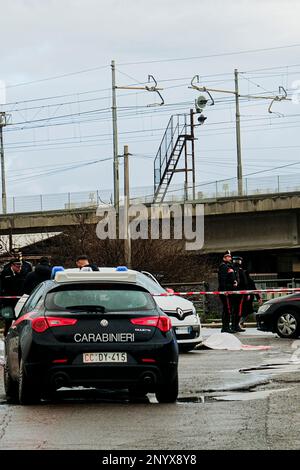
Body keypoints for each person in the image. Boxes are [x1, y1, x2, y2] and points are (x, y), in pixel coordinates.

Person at [0, 259, 25, 336]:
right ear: (12, 265)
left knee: (18, 316)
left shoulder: (21, 273)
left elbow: (22, 284)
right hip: (7, 299)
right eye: (17, 266)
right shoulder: (5, 273)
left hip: (18, 299)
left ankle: (16, 333)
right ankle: (6, 333)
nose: (19, 268)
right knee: (8, 317)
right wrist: (2, 293)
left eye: (20, 266)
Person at [218, 250, 238, 333]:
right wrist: (224, 291)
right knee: (227, 309)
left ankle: (227, 327)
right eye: (227, 256)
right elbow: (222, 280)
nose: (229, 258)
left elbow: (231, 277)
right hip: (226, 291)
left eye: (230, 256)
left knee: (229, 309)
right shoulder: (223, 266)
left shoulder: (229, 266)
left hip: (230, 290)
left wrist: (234, 281)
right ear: (224, 258)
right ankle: (225, 327)